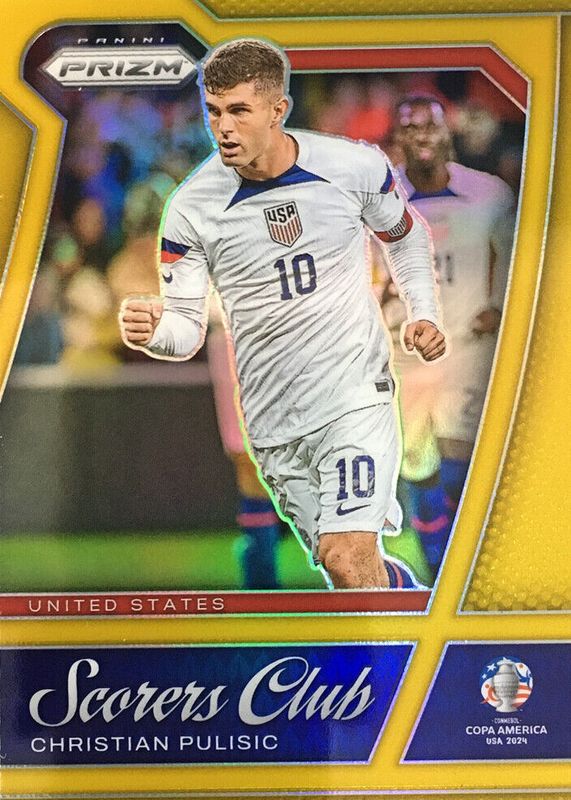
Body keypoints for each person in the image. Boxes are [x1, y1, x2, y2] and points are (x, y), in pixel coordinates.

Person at [119, 40, 445, 590]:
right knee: (346, 568)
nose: (223, 128)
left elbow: (406, 234)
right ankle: (411, 601)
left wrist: (425, 312)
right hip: (273, 424)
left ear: (278, 109)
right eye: (213, 112)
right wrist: (157, 332)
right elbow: (186, 331)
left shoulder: (353, 166)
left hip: (353, 399)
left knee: (348, 556)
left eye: (239, 111)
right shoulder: (191, 208)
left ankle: (404, 643)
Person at [381, 95, 515, 579]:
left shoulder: (489, 194)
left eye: (430, 126)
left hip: (466, 347)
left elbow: (520, 255)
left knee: (460, 456)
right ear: (397, 139)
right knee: (418, 467)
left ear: (447, 134)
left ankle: (456, 569)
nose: (422, 136)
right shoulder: (377, 200)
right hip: (404, 354)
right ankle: (436, 566)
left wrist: (500, 304)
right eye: (410, 127)